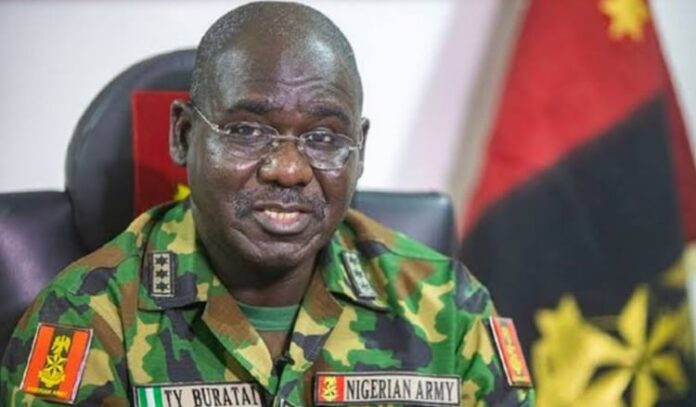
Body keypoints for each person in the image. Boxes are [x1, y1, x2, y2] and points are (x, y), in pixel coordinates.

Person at [0, 2, 535, 406]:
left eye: (324, 137)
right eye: (246, 131)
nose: (288, 169)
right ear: (183, 135)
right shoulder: (87, 319)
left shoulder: (450, 307)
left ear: (359, 151)